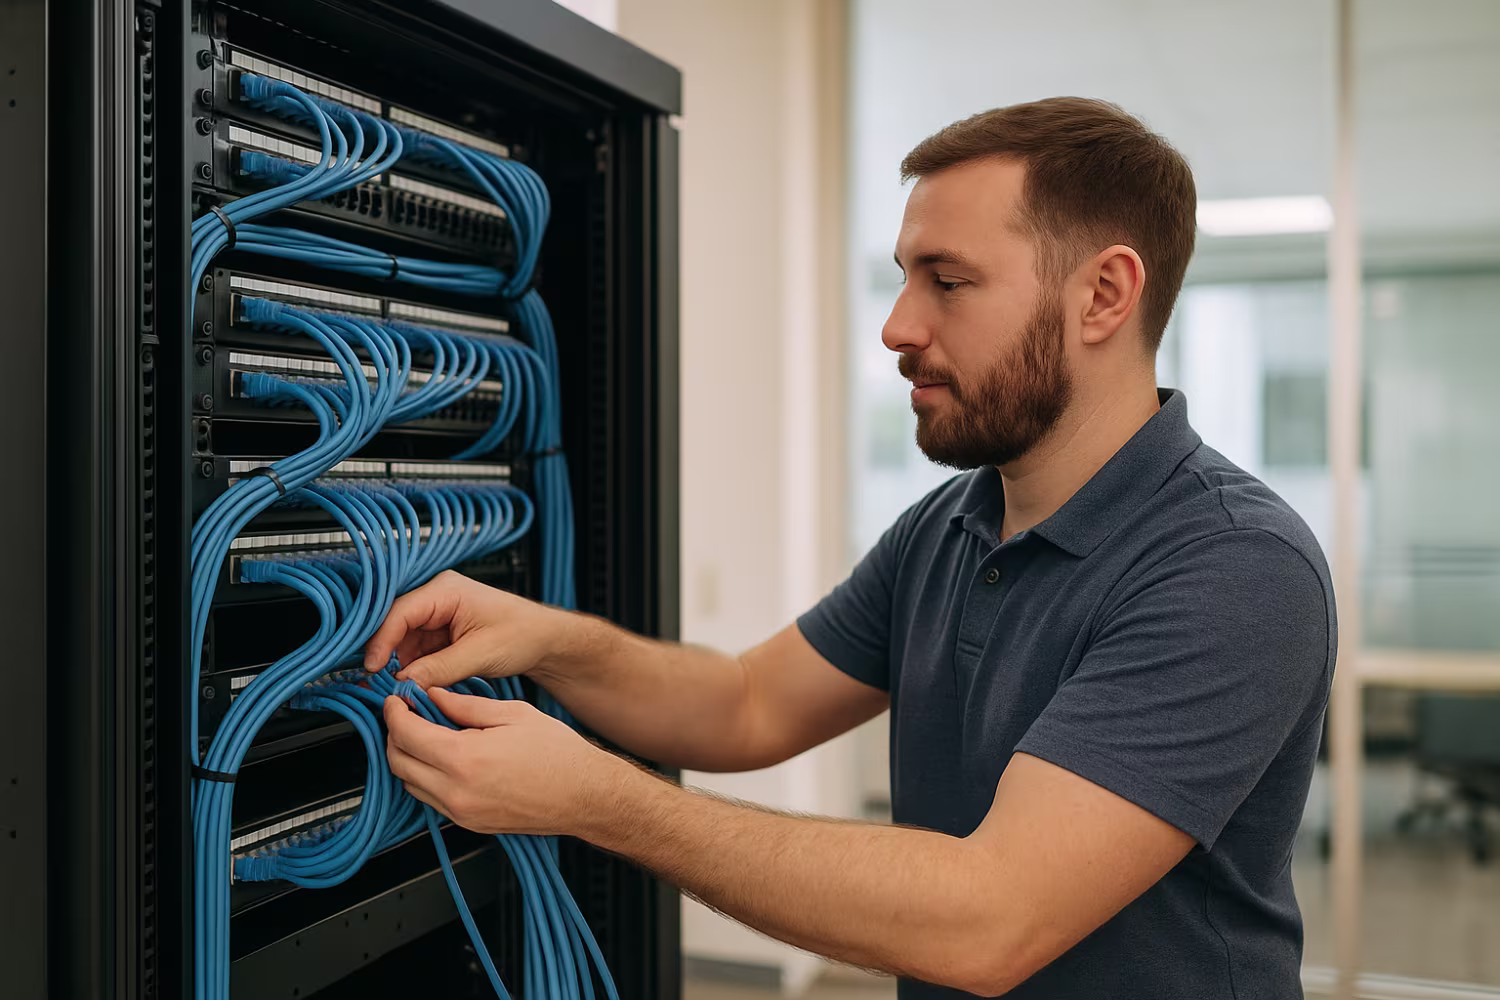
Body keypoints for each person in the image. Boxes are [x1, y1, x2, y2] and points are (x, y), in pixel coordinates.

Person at [365, 97, 1335, 998]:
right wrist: (545, 638)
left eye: (948, 281)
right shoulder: (949, 527)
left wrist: (598, 799)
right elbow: (745, 704)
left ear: (1103, 297)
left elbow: (992, 915)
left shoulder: (1233, 565)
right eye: (906, 276)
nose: (897, 326)